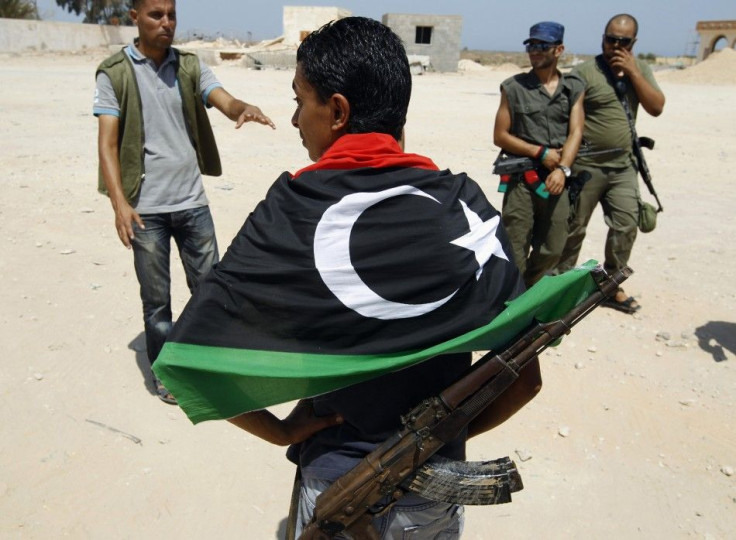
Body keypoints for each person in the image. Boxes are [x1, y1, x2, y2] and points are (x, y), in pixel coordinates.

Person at [164, 17, 541, 538]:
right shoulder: (463, 206)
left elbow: (186, 365)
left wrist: (279, 431)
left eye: (300, 100)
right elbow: (526, 377)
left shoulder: (293, 210)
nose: (295, 119)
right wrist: (438, 440)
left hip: (335, 487)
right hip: (434, 495)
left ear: (337, 111)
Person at [93, 0, 275, 403]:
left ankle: (211, 365)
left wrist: (243, 108)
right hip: (146, 211)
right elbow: (106, 144)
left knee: (210, 290)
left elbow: (222, 99)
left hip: (192, 202)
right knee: (157, 303)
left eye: (171, 14)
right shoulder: (115, 73)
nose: (166, 23)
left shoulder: (189, 66)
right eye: (156, 15)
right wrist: (120, 205)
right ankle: (167, 375)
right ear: (134, 18)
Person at [555, 13, 665, 313]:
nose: (615, 45)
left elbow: (656, 107)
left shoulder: (640, 69)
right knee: (574, 227)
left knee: (626, 225)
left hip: (623, 166)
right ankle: (561, 287)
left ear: (634, 43)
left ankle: (610, 285)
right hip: (586, 166)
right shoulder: (584, 73)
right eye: (610, 39)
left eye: (623, 42)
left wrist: (633, 73)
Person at [493, 21, 585, 288]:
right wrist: (540, 152)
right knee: (515, 247)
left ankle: (527, 291)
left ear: (559, 50)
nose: (534, 51)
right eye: (531, 45)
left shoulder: (573, 88)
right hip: (522, 179)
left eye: (542, 46)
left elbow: (576, 131)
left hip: (557, 179)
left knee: (553, 248)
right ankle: (514, 304)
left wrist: (563, 169)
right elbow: (500, 135)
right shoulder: (513, 87)